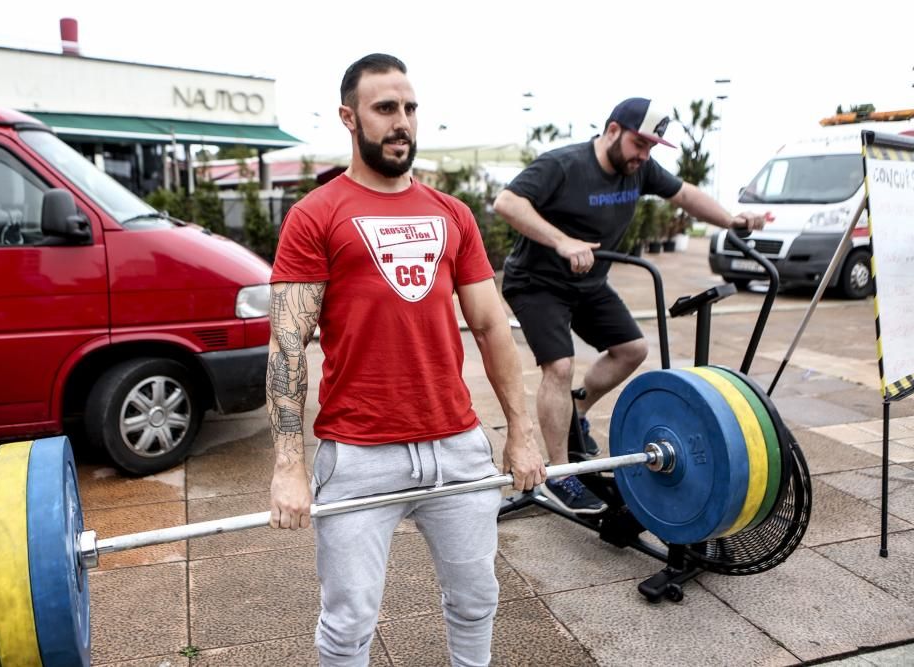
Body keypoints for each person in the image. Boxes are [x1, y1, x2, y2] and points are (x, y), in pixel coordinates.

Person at [266, 53, 546, 667]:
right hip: (360, 452)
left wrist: (521, 432)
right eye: (385, 108)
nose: (402, 123)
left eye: (410, 109)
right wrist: (289, 465)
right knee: (348, 624)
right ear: (349, 117)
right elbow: (288, 344)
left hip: (457, 445)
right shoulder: (316, 215)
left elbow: (492, 324)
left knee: (476, 601)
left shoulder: (452, 214)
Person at [493, 97, 766, 515]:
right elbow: (507, 203)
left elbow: (686, 195)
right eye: (640, 143)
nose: (645, 155)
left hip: (590, 280)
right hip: (538, 282)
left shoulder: (639, 170)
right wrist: (562, 241)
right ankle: (560, 474)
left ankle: (577, 411)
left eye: (652, 147)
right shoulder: (564, 164)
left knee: (632, 350)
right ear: (613, 130)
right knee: (559, 367)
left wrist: (731, 221)